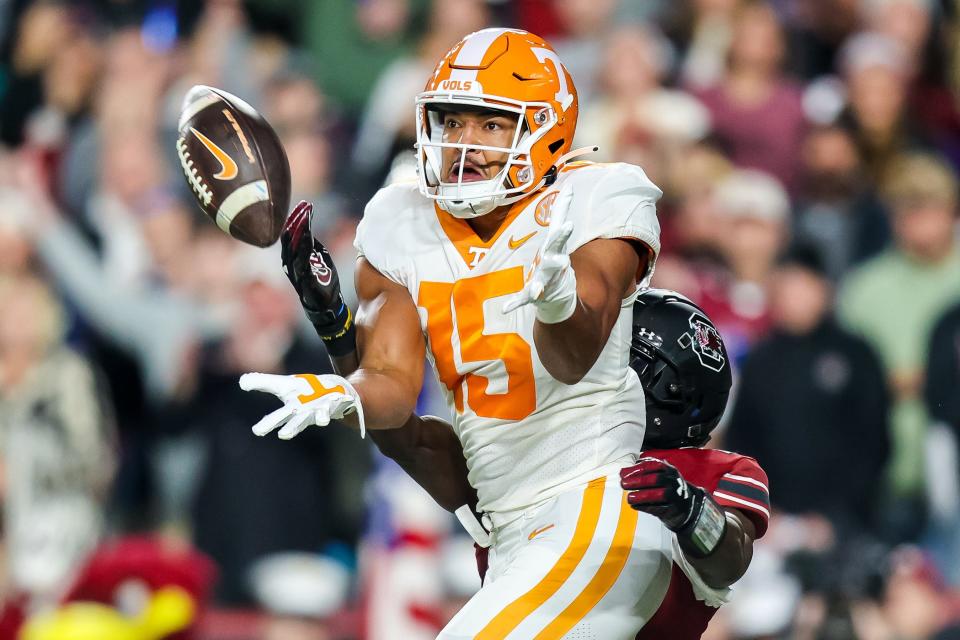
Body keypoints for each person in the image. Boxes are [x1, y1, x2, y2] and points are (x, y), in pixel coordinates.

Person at [243, 28, 671, 637]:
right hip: (506, 533)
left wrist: (555, 296)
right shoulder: (400, 218)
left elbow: (577, 351)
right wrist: (342, 392)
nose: (464, 142)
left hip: (596, 507)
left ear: (546, 128)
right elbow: (391, 386)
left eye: (491, 124)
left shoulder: (599, 193)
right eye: (452, 121)